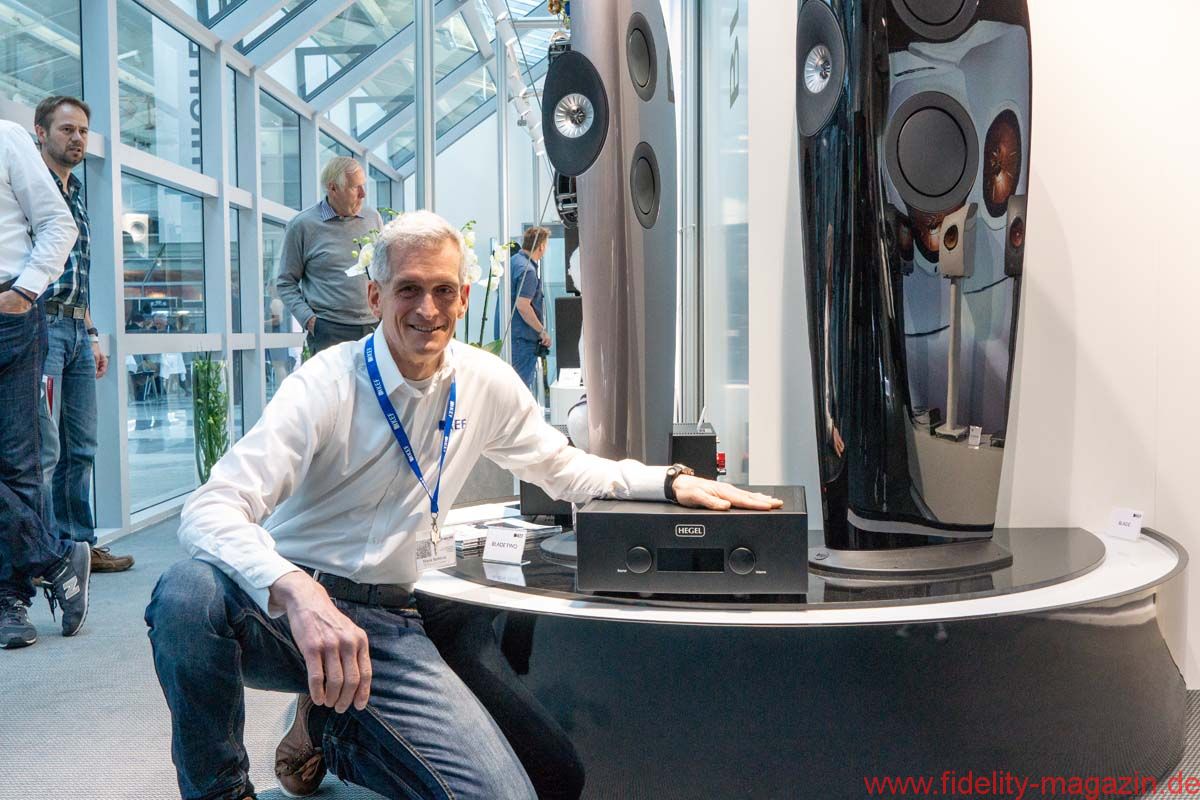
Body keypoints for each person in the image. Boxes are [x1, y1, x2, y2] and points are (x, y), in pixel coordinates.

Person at [145, 210, 781, 800]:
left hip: (387, 623)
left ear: (465, 297)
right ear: (375, 297)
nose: (428, 309)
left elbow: (561, 468)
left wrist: (666, 482)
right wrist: (299, 592)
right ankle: (223, 791)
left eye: (443, 290)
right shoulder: (324, 384)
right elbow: (209, 509)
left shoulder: (484, 382)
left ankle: (332, 728)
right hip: (284, 612)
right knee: (185, 594)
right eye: (409, 289)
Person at [0, 118, 92, 650]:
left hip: (10, 310)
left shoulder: (7, 139)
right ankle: (57, 559)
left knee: (18, 461)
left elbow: (59, 224)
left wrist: (26, 290)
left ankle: (9, 601)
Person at [34, 95, 134, 573]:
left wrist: (91, 333)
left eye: (82, 131)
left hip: (74, 327)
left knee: (82, 446)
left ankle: (78, 547)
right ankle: (40, 552)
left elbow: (77, 274)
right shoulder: (29, 190)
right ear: (41, 133)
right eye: (66, 129)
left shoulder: (76, 193)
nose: (77, 138)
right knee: (42, 449)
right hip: (41, 328)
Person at [276, 156, 383, 355]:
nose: (363, 194)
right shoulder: (302, 225)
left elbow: (383, 270)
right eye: (355, 187)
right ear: (333, 188)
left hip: (375, 327)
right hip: (329, 331)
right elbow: (285, 282)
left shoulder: (372, 218)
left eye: (363, 186)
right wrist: (310, 321)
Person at [510, 226, 552, 392]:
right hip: (522, 341)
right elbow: (523, 305)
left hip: (512, 338)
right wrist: (542, 331)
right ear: (541, 246)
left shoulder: (513, 262)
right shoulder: (528, 271)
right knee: (520, 390)